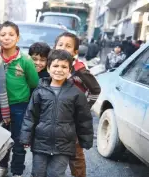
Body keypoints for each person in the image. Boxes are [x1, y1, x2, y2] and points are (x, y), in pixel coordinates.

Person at [20, 49, 94, 177]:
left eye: (64, 66)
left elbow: (84, 119)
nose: (59, 69)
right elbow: (30, 115)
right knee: (38, 173)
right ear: (48, 69)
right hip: (41, 143)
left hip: (64, 145)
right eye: (55, 65)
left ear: (69, 71)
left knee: (55, 174)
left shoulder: (76, 93)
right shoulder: (39, 91)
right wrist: (25, 137)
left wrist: (86, 139)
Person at [0, 21, 39, 177]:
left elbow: (34, 83)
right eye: (3, 34)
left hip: (20, 106)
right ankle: (2, 166)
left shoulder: (25, 60)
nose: (7, 38)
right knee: (1, 139)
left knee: (19, 140)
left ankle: (17, 170)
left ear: (18, 38)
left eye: (11, 35)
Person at [54, 32, 100, 177]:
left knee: (75, 154)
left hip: (74, 120)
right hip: (55, 117)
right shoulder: (53, 65)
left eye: (68, 46)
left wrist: (84, 108)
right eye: (60, 45)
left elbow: (95, 90)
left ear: (75, 52)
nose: (63, 48)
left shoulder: (80, 70)